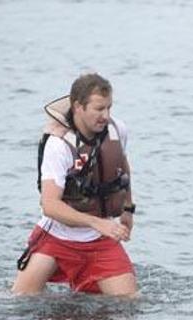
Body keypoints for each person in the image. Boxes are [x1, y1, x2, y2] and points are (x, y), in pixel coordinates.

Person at [12, 73, 138, 296]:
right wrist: (96, 222)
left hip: (100, 240)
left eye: (109, 108)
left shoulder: (117, 130)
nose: (106, 115)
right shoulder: (58, 144)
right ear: (78, 106)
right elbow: (50, 205)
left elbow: (122, 165)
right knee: (20, 299)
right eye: (99, 109)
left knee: (129, 304)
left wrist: (128, 208)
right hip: (56, 238)